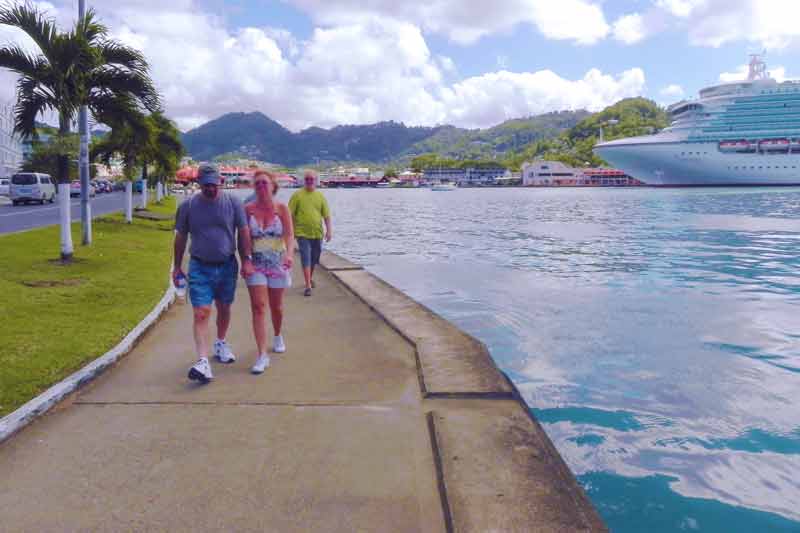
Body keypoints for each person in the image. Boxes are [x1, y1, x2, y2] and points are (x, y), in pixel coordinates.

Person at [173, 164, 255, 384]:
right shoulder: (188, 206)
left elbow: (244, 232)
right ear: (199, 184)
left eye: (214, 184)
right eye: (206, 185)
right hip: (200, 266)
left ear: (220, 182)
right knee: (201, 312)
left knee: (224, 307)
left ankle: (220, 341)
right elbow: (180, 237)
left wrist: (246, 260)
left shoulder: (233, 203)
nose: (211, 189)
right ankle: (202, 361)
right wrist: (177, 266)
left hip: (227, 264)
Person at [243, 171, 294, 374]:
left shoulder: (282, 209)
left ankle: (278, 334)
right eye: (257, 184)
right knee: (258, 307)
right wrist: (245, 260)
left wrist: (289, 255)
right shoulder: (247, 209)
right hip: (256, 264)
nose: (261, 187)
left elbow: (289, 235)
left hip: (277, 264)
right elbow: (244, 238)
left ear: (273, 186)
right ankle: (262, 355)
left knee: (277, 307)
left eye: (265, 183)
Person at [288, 171, 332, 296]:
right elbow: (289, 214)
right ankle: (308, 285)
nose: (309, 181)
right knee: (305, 257)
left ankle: (309, 277)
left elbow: (327, 216)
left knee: (314, 259)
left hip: (317, 233)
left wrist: (329, 231)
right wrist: (291, 230)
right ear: (304, 180)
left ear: (316, 180)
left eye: (312, 179)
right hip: (302, 233)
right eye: (307, 179)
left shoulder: (320, 196)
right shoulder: (297, 195)